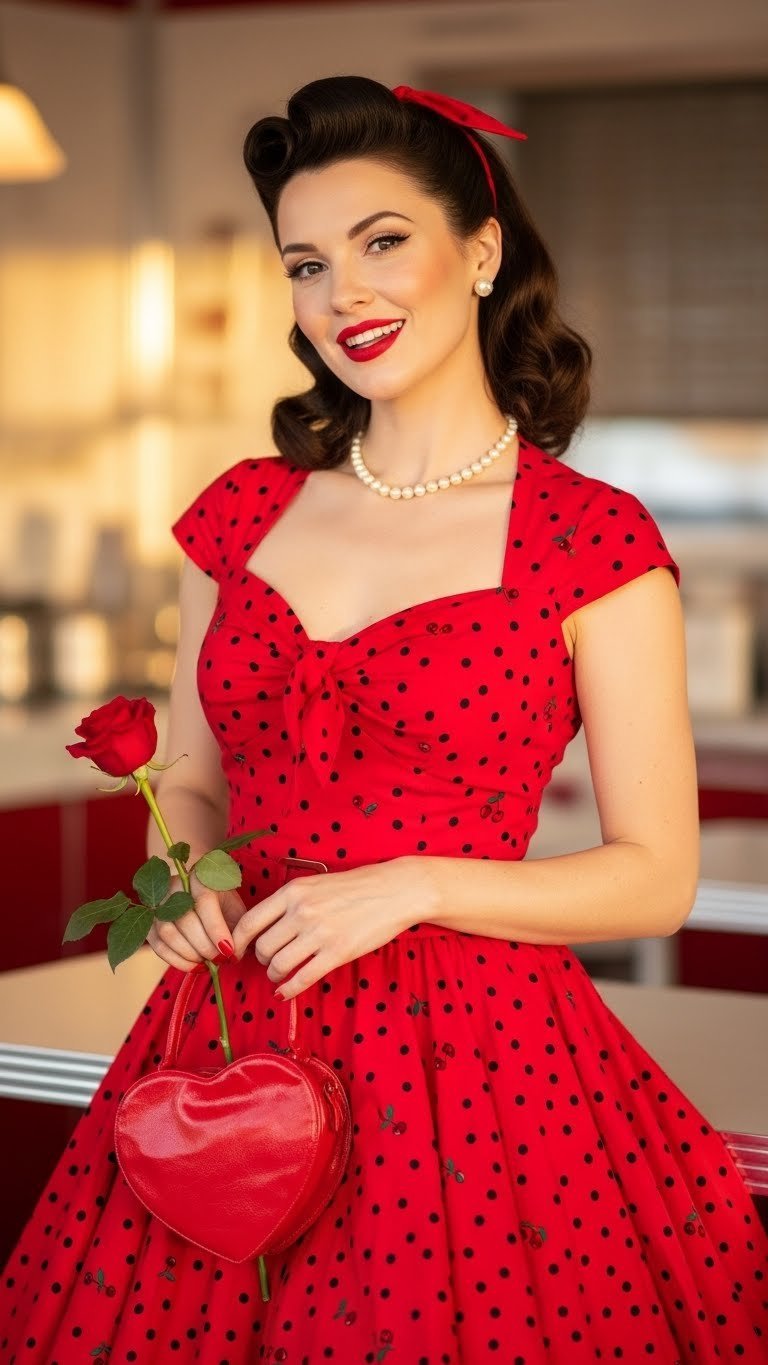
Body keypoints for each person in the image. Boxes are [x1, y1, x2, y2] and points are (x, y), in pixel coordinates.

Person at [1, 73, 766, 1365]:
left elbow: (658, 876)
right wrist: (180, 873)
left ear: (483, 251)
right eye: (307, 263)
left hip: (480, 1070)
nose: (342, 293)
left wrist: (413, 884)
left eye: (381, 241)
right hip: (228, 1043)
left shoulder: (590, 538)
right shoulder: (240, 513)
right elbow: (191, 783)